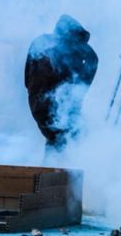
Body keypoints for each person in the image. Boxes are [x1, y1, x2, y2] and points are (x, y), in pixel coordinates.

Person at [24, 15, 98, 155]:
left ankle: (55, 170)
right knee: (62, 140)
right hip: (46, 104)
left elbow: (93, 59)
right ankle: (56, 170)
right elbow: (30, 79)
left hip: (56, 104)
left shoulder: (73, 48)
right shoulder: (44, 46)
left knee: (62, 141)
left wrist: (80, 88)